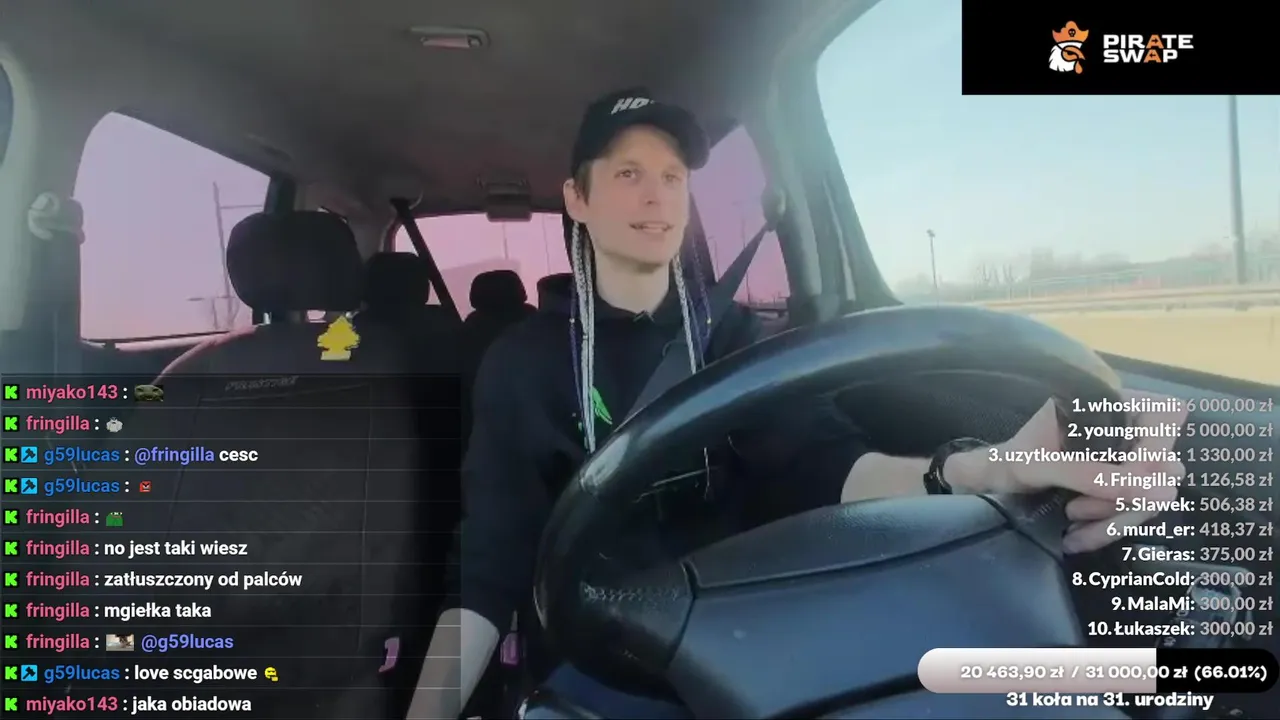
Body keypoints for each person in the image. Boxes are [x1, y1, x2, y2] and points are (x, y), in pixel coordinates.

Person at [405, 89, 1187, 719]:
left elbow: (828, 464)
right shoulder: (522, 362)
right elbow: (488, 567)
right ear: (577, 198)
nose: (656, 196)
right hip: (600, 658)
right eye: (628, 173)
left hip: (746, 637)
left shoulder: (737, 337)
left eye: (673, 177)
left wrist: (989, 469)